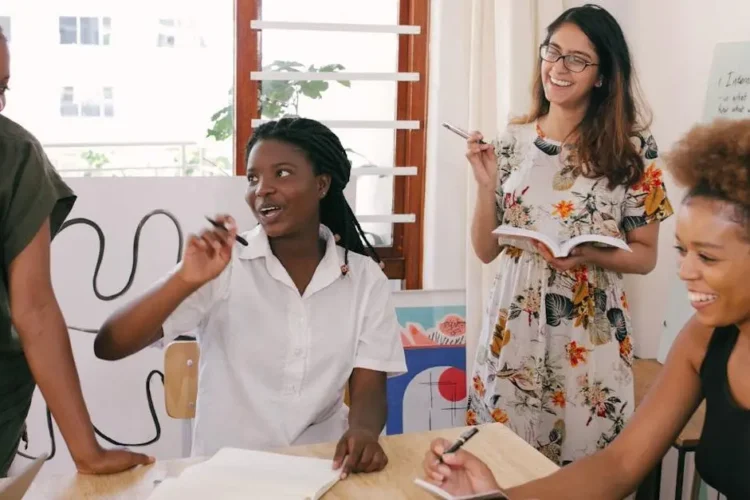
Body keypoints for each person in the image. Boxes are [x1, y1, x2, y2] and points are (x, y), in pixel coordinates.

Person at [423, 118, 750, 499]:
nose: (685, 271)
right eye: (682, 250)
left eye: (707, 257)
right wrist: (497, 496)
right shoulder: (704, 339)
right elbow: (620, 464)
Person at [94, 117, 407, 478]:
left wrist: (364, 432)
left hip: (323, 470)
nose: (263, 189)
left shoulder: (364, 278)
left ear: (321, 185)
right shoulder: (224, 265)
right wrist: (184, 279)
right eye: (253, 178)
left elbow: (369, 387)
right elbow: (110, 344)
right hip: (225, 475)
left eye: (283, 173)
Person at [464, 4, 673, 465]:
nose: (558, 68)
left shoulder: (635, 148)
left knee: (585, 472)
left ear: (602, 75)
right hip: (512, 328)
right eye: (553, 52)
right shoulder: (511, 139)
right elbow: (484, 251)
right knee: (502, 468)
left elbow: (645, 257)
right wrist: (484, 186)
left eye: (577, 59)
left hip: (589, 337)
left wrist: (587, 256)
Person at [0, 27, 152, 476]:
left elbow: (35, 309)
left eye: (3, 87)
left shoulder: (15, 156)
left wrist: (87, 453)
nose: (0, 104)